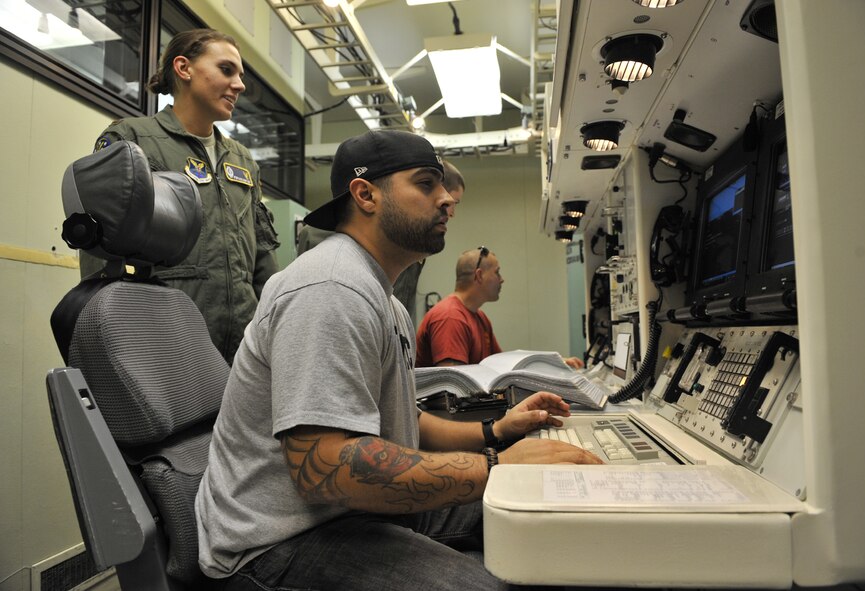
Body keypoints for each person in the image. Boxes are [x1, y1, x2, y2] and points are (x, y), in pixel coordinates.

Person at [195, 129, 601, 590]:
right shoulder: (331, 288)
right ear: (365, 195)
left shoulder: (382, 299)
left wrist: (496, 432)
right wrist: (498, 466)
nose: (447, 199)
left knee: (550, 510)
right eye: (427, 184)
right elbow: (325, 467)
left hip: (353, 508)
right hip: (277, 544)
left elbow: (403, 419)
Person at [82, 29, 279, 364]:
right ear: (184, 68)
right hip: (163, 342)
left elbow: (262, 255)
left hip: (243, 349)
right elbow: (101, 254)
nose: (240, 85)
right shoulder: (132, 140)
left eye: (241, 75)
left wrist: (273, 326)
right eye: (226, 70)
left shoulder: (242, 159)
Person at [295, 159, 466, 325]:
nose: (450, 208)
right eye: (426, 183)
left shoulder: (406, 247)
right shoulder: (328, 272)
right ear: (366, 195)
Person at [416, 247, 585, 369]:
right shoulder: (450, 317)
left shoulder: (479, 317)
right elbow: (452, 389)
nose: (502, 279)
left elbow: (502, 365)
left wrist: (552, 363)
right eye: (497, 272)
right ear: (479, 275)